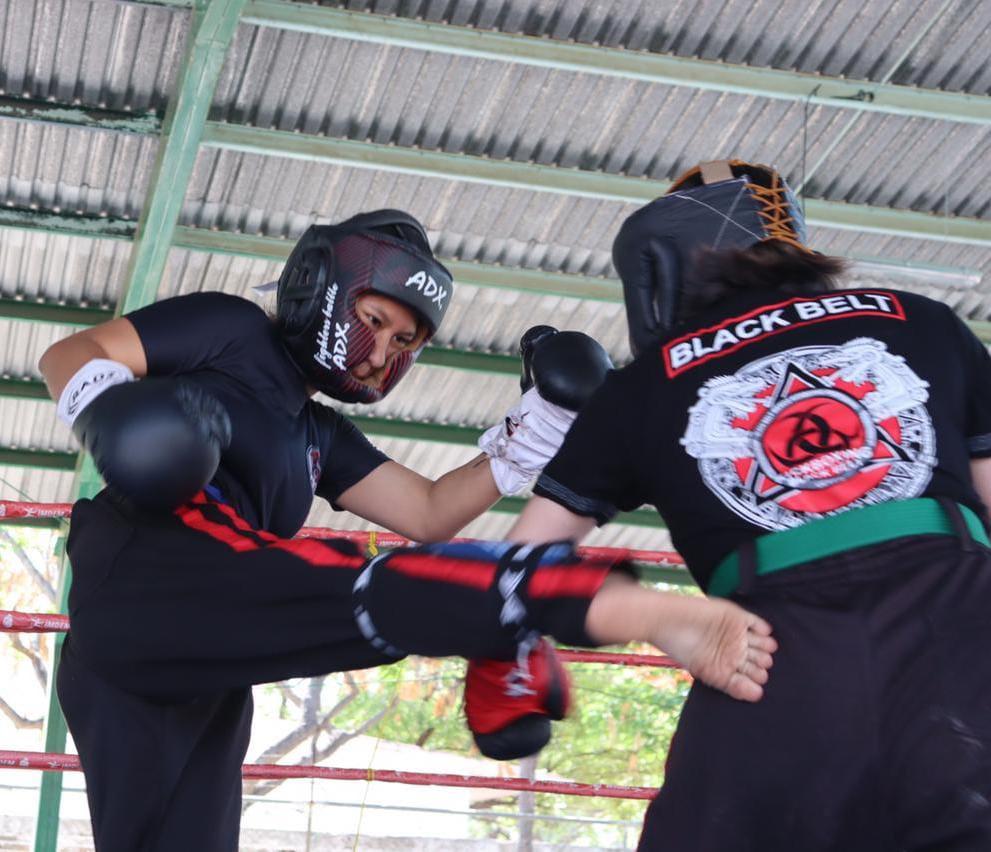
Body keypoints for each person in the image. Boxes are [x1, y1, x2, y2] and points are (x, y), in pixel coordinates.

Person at [40, 208, 776, 851]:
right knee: (365, 589)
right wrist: (114, 413)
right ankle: (618, 607)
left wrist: (536, 430)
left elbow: (427, 512)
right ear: (322, 289)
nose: (383, 348)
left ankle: (520, 610)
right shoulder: (229, 329)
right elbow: (72, 354)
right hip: (151, 573)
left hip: (208, 648)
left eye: (402, 341)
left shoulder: (318, 435)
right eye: (375, 319)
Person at [505, 158, 991, 851]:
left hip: (768, 655)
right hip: (958, 625)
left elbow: (515, 563)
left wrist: (631, 622)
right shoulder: (923, 320)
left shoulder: (645, 381)